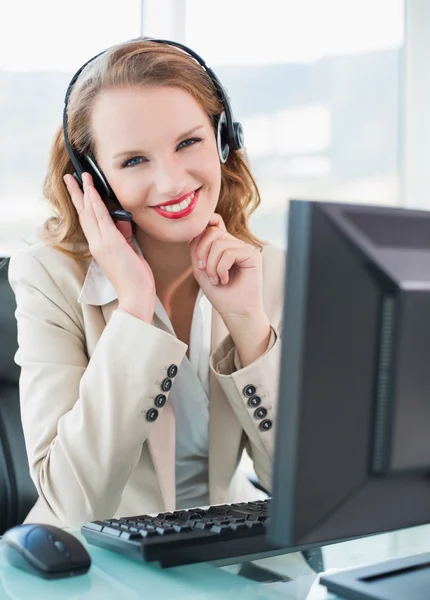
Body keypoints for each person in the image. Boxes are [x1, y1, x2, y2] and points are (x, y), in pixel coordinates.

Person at [8, 38, 286, 529]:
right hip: (95, 563)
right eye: (134, 161)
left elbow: (300, 485)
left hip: (234, 554)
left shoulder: (267, 271)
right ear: (93, 179)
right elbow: (70, 505)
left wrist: (249, 326)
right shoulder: (47, 276)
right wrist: (134, 310)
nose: (173, 182)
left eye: (188, 142)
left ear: (223, 139)